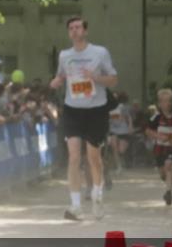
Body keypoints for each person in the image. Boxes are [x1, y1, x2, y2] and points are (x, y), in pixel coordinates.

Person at [49, 16, 118, 221]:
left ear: (85, 31)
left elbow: (113, 79)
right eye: (71, 28)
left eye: (78, 27)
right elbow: (60, 76)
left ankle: (97, 195)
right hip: (72, 110)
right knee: (74, 156)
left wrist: (95, 77)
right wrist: (56, 82)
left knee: (93, 158)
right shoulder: (64, 55)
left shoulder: (100, 53)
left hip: (96, 110)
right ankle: (76, 206)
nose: (74, 31)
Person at [146, 88, 172, 206]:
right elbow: (147, 131)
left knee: (169, 166)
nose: (167, 104)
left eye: (169, 101)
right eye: (164, 101)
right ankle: (168, 182)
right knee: (163, 173)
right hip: (159, 148)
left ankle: (168, 193)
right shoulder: (156, 117)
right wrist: (159, 136)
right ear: (159, 103)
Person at [107, 92, 132, 175]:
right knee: (114, 148)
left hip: (123, 130)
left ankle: (123, 161)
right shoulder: (107, 108)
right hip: (113, 130)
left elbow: (128, 117)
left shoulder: (122, 107)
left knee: (121, 150)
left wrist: (130, 126)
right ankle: (119, 166)